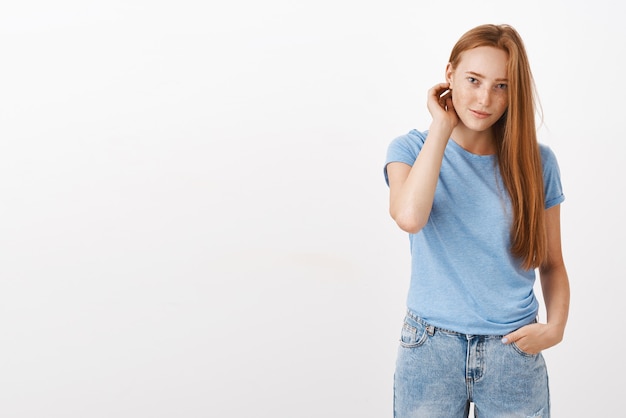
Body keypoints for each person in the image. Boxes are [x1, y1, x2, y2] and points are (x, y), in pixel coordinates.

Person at [383, 24, 569, 418]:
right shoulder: (410, 149)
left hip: (513, 351)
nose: (485, 98)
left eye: (501, 85)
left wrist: (555, 329)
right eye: (473, 80)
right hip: (430, 348)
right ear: (448, 75)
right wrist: (442, 125)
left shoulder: (538, 163)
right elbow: (410, 216)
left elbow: (552, 262)